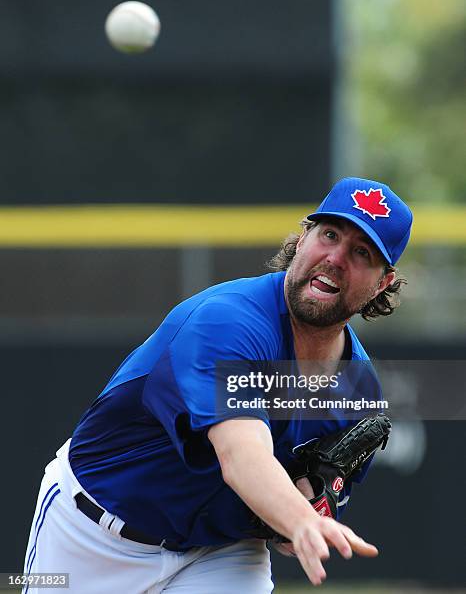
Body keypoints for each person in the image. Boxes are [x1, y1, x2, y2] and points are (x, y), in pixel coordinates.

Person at [23, 177, 412, 594]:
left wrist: (308, 503)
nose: (335, 258)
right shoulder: (229, 322)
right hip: (93, 534)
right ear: (302, 239)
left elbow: (289, 526)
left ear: (382, 283)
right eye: (329, 234)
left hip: (220, 552)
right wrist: (301, 521)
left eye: (361, 252)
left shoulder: (357, 389)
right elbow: (240, 453)